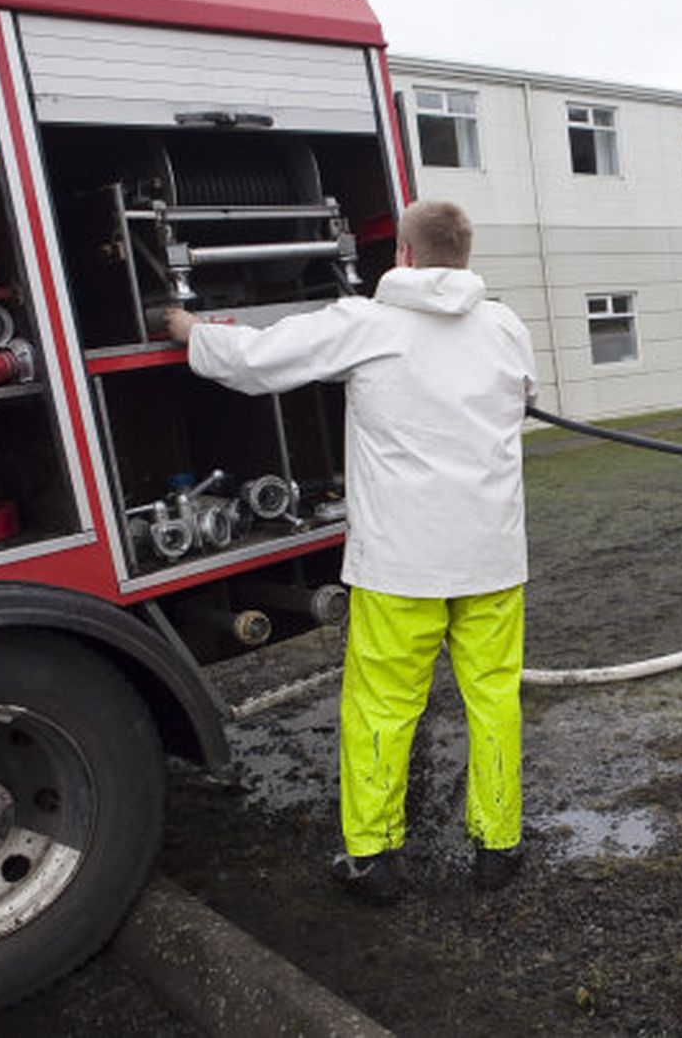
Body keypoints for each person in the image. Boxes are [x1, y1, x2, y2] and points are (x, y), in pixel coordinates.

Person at [166, 199, 538, 905]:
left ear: (401, 255)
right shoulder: (506, 325)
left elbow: (254, 362)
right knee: (493, 701)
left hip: (403, 564)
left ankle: (373, 857)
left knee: (382, 708)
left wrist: (189, 329)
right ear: (464, 254)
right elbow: (523, 400)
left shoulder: (365, 322)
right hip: (491, 557)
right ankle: (499, 843)